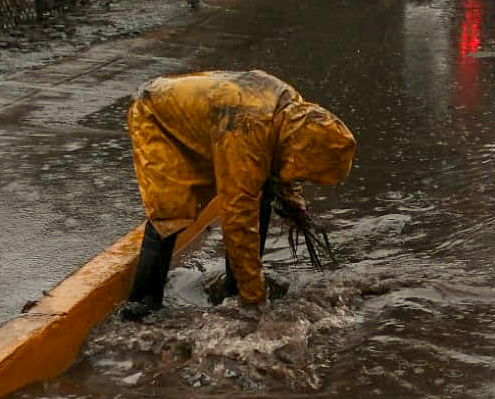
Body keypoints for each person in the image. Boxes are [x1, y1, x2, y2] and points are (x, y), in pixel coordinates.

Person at [121, 69, 356, 320]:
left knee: (264, 190)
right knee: (171, 211)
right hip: (156, 114)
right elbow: (238, 217)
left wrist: (292, 201)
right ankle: (143, 303)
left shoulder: (296, 115)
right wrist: (255, 301)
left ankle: (235, 287)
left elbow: (284, 163)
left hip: (216, 117)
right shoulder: (247, 131)